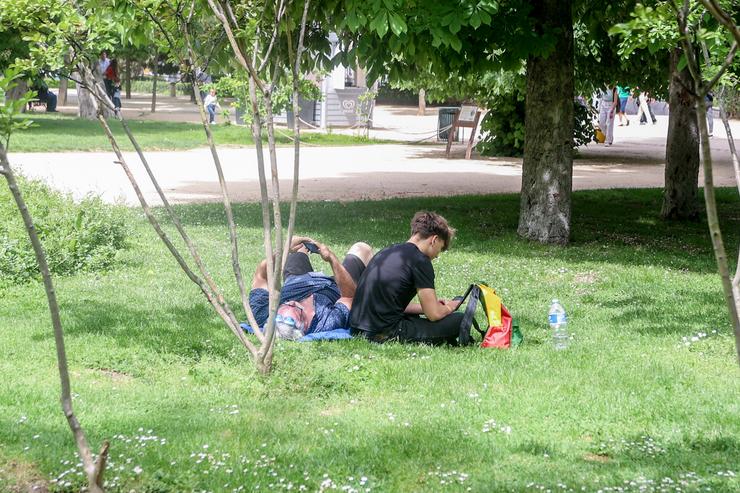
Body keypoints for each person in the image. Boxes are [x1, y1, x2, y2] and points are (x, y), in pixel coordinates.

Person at [350, 211, 465, 345]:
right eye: (439, 249)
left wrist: (428, 306)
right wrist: (450, 307)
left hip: (357, 329)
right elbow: (433, 315)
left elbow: (390, 303)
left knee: (417, 317)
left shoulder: (387, 251)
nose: (437, 256)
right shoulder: (420, 260)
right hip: (383, 333)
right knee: (460, 320)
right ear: (434, 240)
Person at [249, 236, 373, 340]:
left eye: (286, 304)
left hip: (298, 280)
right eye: (297, 308)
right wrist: (331, 258)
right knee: (362, 248)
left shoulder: (263, 314)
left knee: (297, 242)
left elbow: (260, 276)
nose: (293, 302)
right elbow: (349, 297)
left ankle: (301, 249)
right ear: (305, 325)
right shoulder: (325, 323)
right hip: (337, 286)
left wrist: (283, 251)